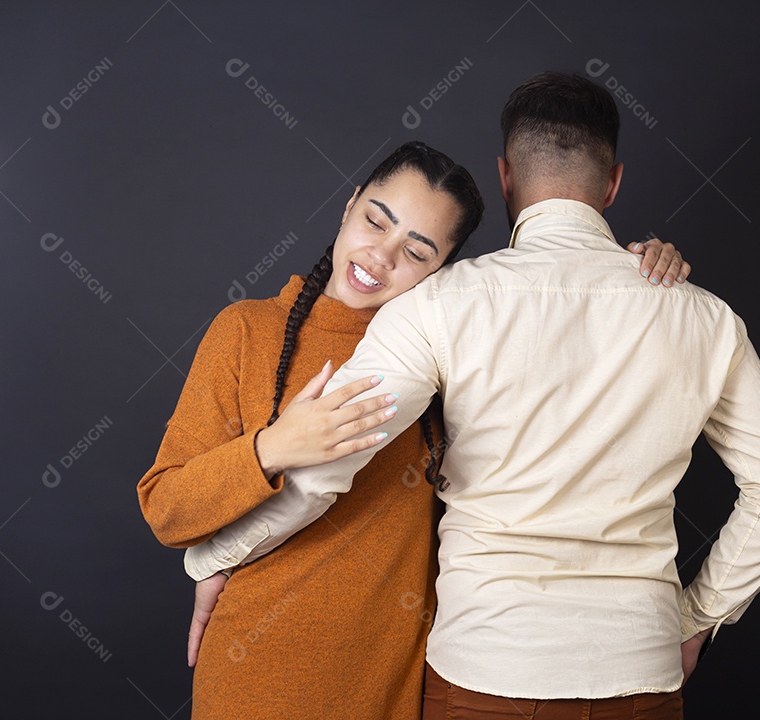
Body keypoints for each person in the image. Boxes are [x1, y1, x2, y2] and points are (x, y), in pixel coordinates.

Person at [182, 72, 760, 719]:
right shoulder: (702, 317)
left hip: (484, 675)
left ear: (506, 177)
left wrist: (216, 557)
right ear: (614, 184)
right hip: (639, 671)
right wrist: (696, 617)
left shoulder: (439, 304)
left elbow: (324, 471)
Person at [137, 140, 691, 720]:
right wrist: (272, 448)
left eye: (416, 251)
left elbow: (570, 352)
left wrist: (639, 269)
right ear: (349, 204)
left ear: (443, 273)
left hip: (396, 681)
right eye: (375, 220)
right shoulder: (247, 331)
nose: (380, 256)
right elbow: (166, 508)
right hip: (254, 675)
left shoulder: (454, 350)